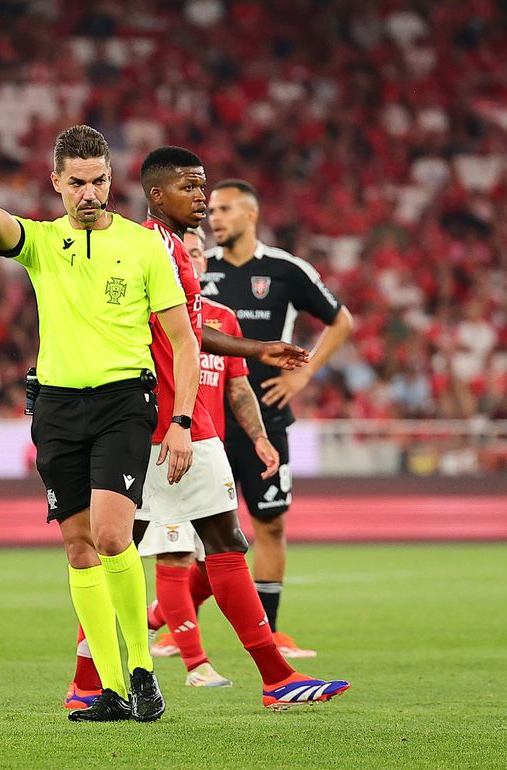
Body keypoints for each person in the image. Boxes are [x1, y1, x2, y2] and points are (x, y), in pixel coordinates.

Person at [0, 122, 196, 723]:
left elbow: (183, 340)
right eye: (77, 184)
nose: (90, 194)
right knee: (77, 549)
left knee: (114, 536)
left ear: (111, 179)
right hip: (58, 408)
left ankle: (143, 671)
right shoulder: (42, 243)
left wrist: (181, 419)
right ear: (56, 183)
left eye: (98, 181)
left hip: (125, 400)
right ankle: (115, 690)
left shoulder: (145, 246)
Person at [67, 148, 349, 710]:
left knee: (211, 541)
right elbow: (175, 338)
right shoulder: (151, 248)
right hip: (160, 424)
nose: (202, 200)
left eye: (206, 189)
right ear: (157, 195)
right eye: (192, 189)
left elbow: (191, 334)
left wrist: (255, 349)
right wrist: (178, 416)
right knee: (127, 550)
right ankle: (269, 678)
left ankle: (274, 678)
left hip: (176, 423)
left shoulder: (170, 248)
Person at [204, 179, 355, 658]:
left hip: (265, 416)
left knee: (269, 523)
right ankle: (176, 627)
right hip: (207, 415)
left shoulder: (286, 270)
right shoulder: (197, 269)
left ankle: (268, 633)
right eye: (211, 210)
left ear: (250, 215)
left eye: (224, 209)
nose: (214, 218)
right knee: (193, 526)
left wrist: (302, 375)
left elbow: (342, 320)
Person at [149, 226, 281, 658]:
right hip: (162, 443)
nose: (194, 258)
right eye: (187, 251)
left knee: (216, 554)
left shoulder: (222, 316)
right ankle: (193, 659)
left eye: (200, 252)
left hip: (208, 446)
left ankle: (160, 617)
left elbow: (239, 389)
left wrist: (260, 437)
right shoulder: (153, 307)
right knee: (165, 553)